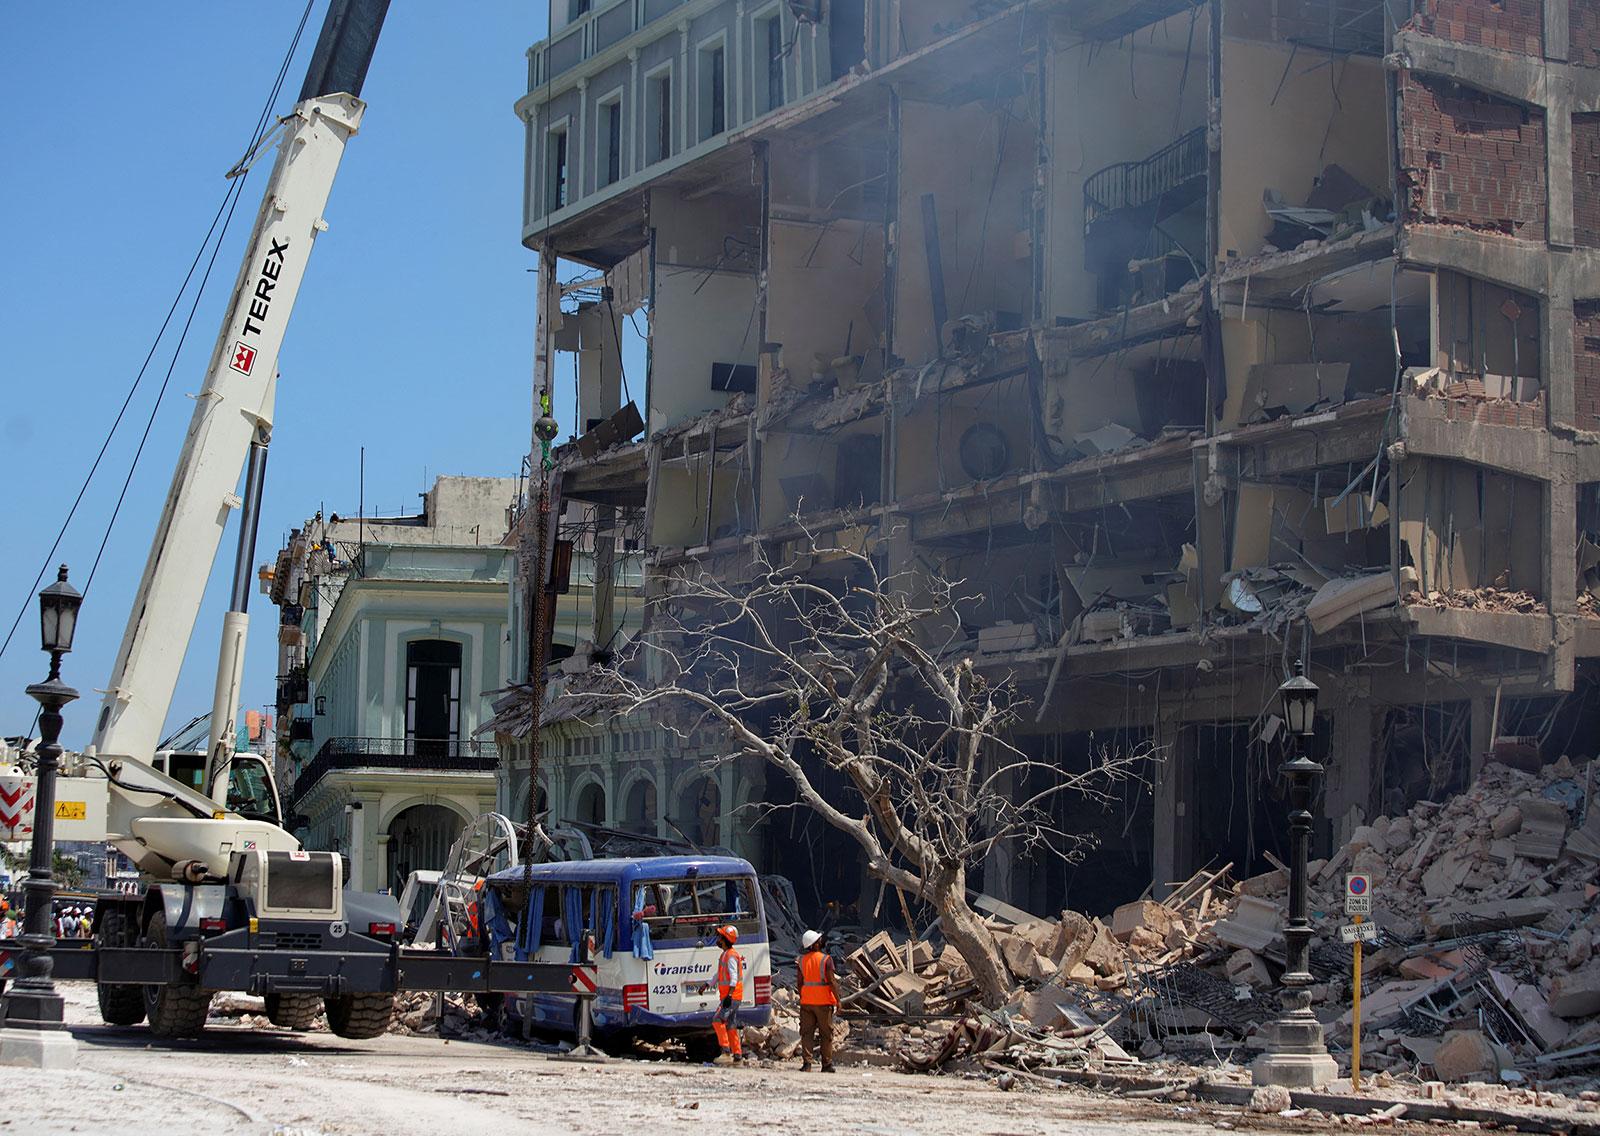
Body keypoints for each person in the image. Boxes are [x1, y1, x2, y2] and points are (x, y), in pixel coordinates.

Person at [796, 929, 842, 1072]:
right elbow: (832, 982)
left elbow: (799, 983)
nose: (821, 941)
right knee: (826, 1034)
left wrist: (804, 995)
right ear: (815, 944)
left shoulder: (801, 960)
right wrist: (838, 1001)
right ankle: (826, 1064)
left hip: (807, 1003)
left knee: (806, 1033)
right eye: (818, 940)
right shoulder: (826, 960)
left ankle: (807, 1063)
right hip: (823, 1003)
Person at [711, 924, 746, 1066]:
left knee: (717, 1020)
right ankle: (737, 1056)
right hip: (731, 996)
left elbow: (733, 978)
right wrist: (708, 984)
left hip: (730, 997)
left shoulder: (730, 956)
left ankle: (725, 1052)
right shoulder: (725, 955)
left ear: (725, 939)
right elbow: (719, 974)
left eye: (720, 937)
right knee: (731, 1025)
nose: (718, 939)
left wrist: (729, 996)